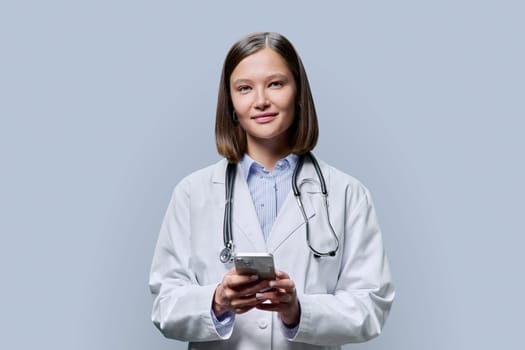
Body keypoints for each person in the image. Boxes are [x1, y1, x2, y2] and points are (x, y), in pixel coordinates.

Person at [149, 32, 394, 350]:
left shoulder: (347, 194)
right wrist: (217, 301)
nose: (261, 100)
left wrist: (298, 310)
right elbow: (164, 305)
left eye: (276, 84)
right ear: (232, 103)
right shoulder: (192, 193)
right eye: (244, 88)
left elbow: (371, 306)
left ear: (299, 93)